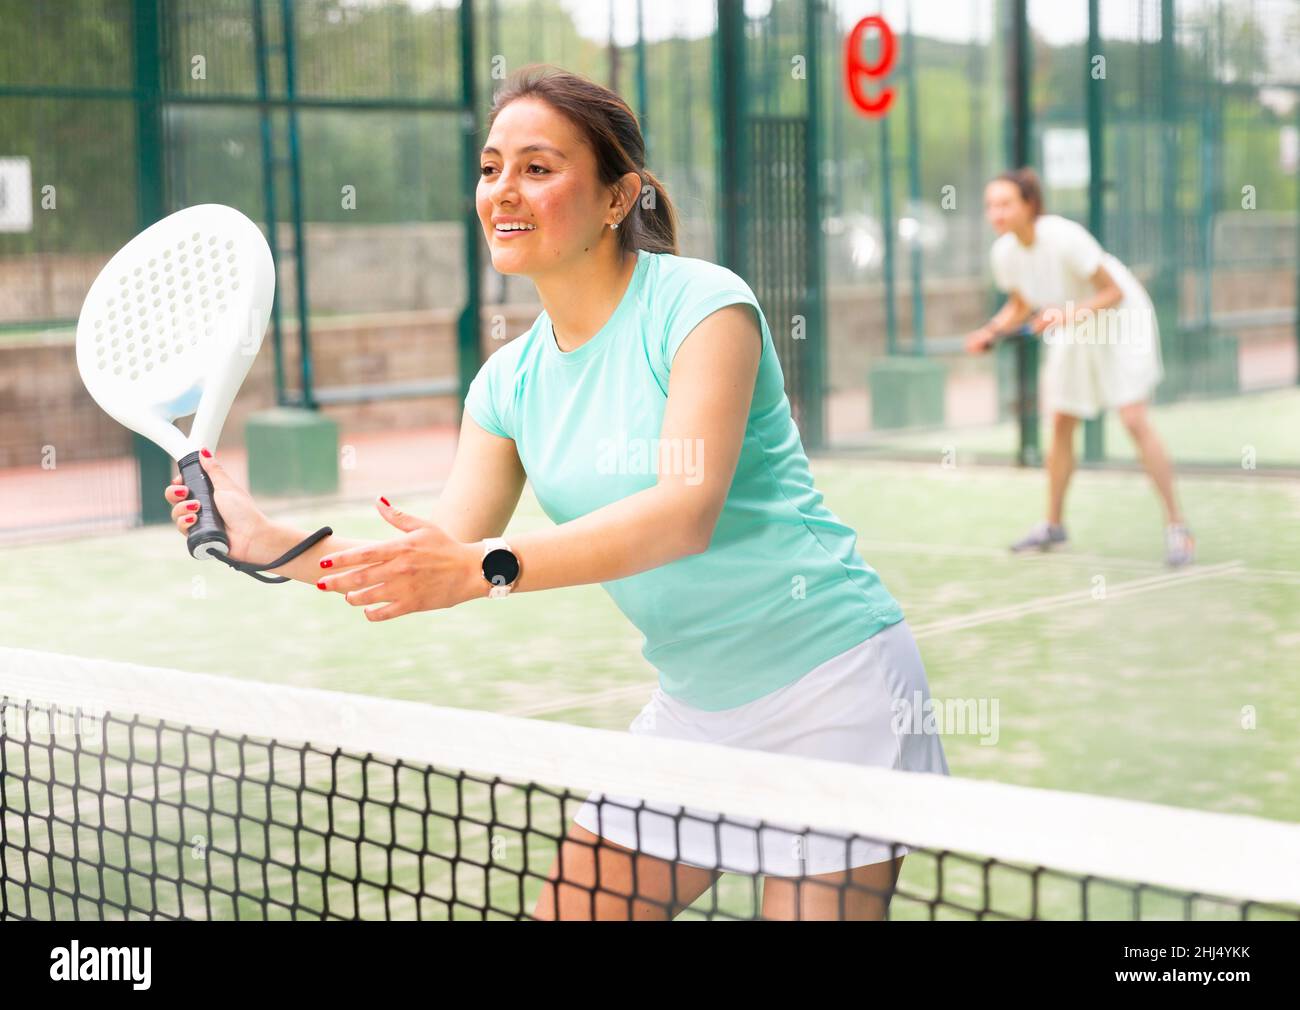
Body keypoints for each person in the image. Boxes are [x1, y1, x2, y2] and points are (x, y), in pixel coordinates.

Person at [163, 66, 948, 920]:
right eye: (492, 167)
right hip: (696, 713)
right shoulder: (507, 385)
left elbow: (685, 512)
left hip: (832, 687)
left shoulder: (703, 307)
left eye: (539, 168)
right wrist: (264, 537)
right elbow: (430, 561)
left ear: (619, 198)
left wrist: (485, 567)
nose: (505, 190)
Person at [965, 168, 1194, 567]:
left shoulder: (1065, 237)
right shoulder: (1004, 253)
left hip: (1121, 318)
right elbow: (1020, 306)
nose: (995, 213)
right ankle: (1053, 525)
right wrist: (990, 330)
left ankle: (1178, 527)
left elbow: (1114, 291)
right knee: (1062, 421)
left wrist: (1064, 315)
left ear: (1029, 205)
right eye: (990, 206)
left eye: (1005, 204)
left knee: (1134, 419)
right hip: (1073, 322)